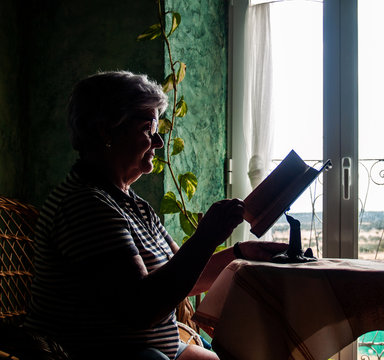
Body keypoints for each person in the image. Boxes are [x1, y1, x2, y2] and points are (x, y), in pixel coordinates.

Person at [25, 71, 287, 360]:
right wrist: (207, 236)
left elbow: (186, 275)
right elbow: (140, 309)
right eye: (149, 128)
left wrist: (241, 252)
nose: (159, 142)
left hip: (156, 351)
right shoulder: (84, 205)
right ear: (106, 131)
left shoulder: (131, 204)